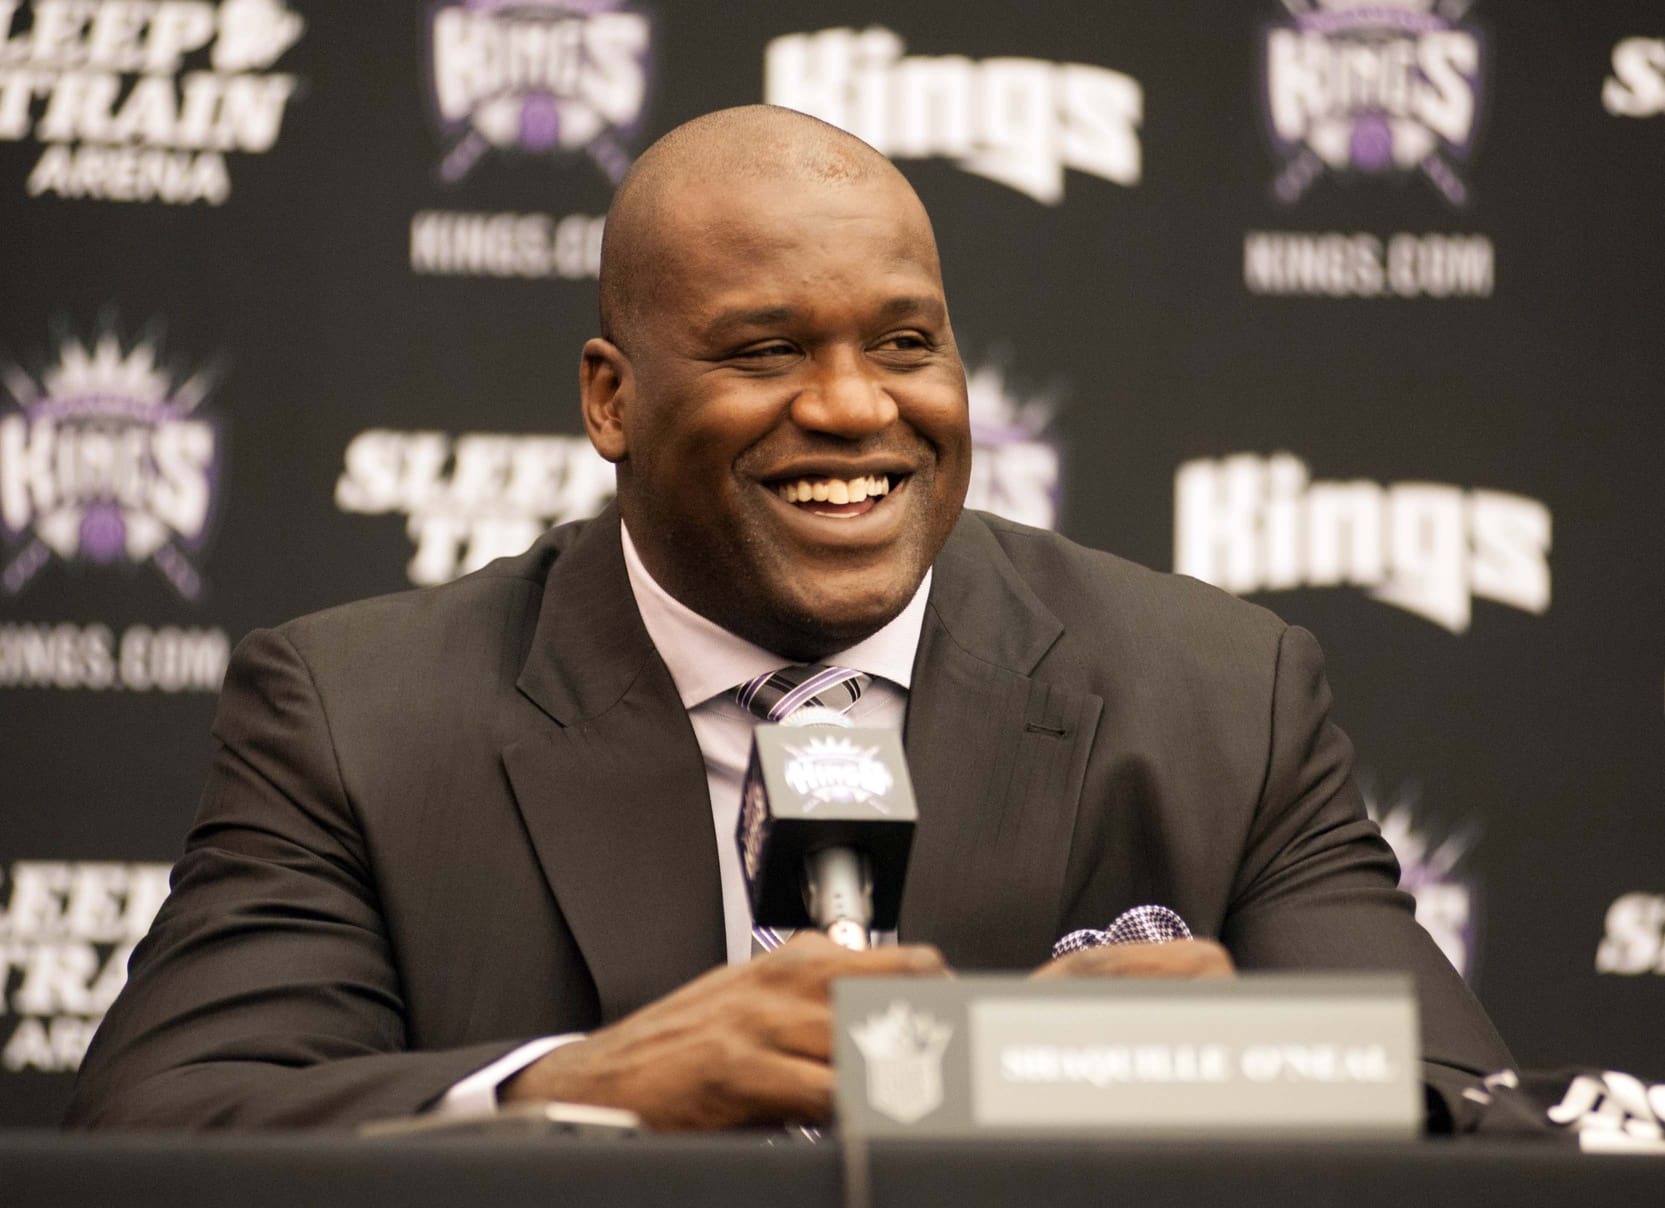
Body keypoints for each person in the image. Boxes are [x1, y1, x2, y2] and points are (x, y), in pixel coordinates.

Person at [66, 106, 1511, 1132]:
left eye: (905, 343)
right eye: (765, 351)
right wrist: (573, 1089)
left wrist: (1240, 1074)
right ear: (611, 399)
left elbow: (1476, 1114)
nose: (853, 406)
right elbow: (163, 1126)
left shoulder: (1222, 697)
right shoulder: (357, 714)